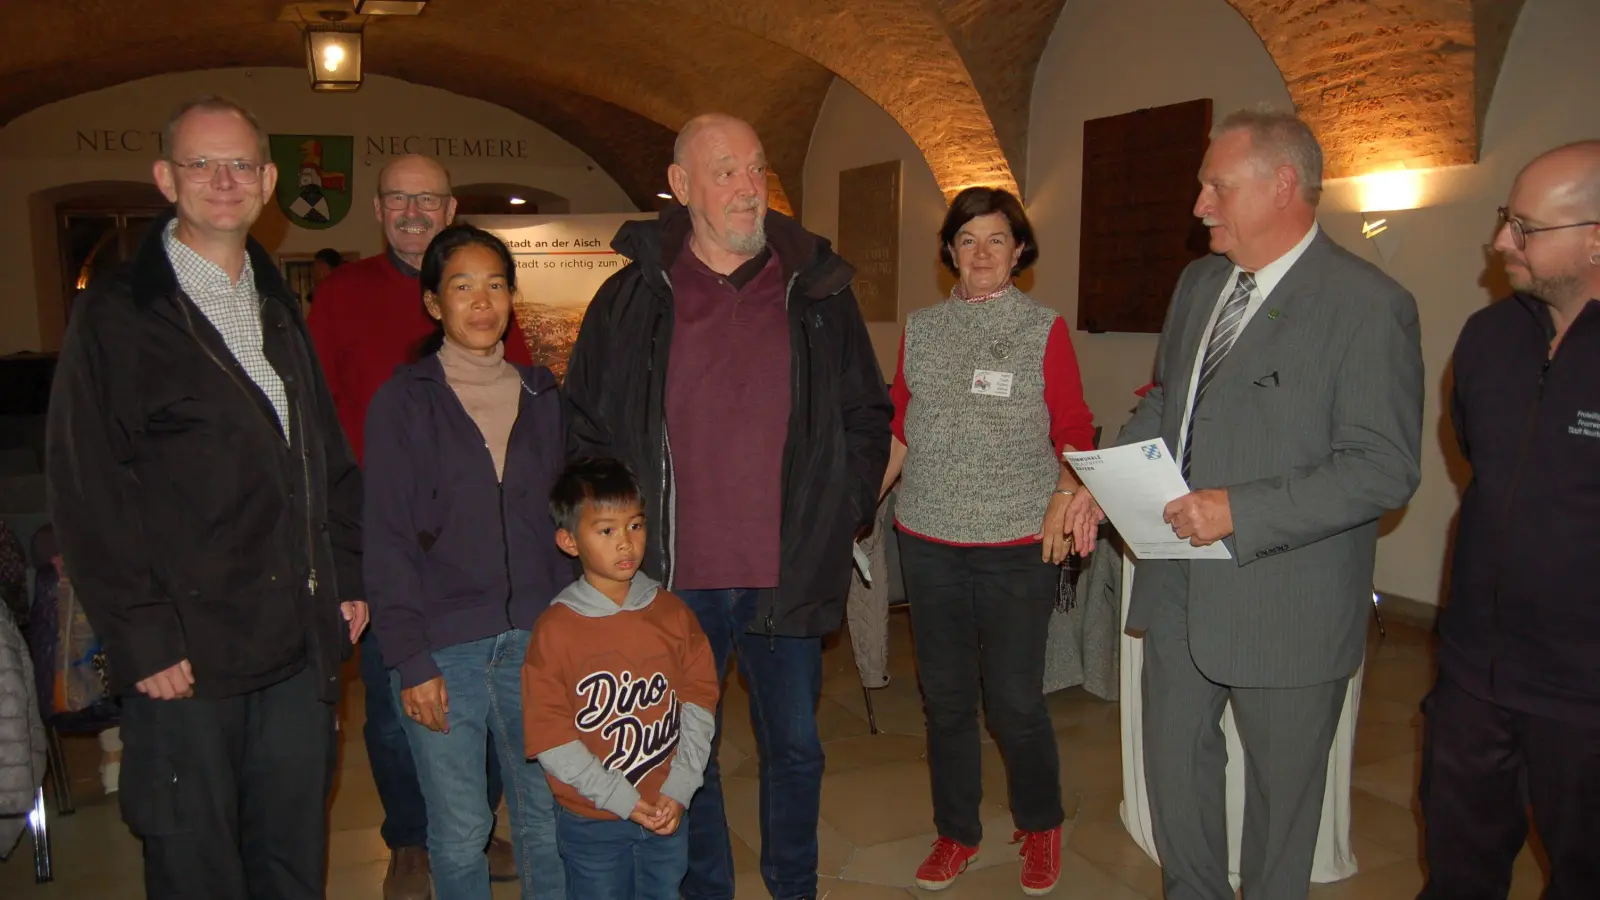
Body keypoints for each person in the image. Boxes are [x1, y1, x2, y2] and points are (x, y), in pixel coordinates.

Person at [1068, 108, 1423, 900]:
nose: (1199, 204)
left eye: (1216, 186)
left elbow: (1383, 468)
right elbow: (1169, 403)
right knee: (1177, 784)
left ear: (1282, 186)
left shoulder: (1367, 304)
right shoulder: (1200, 284)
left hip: (1287, 602)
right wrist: (1097, 478)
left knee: (1280, 807)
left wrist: (1241, 511)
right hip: (1179, 587)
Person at [45, 95, 367, 900]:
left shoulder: (276, 303)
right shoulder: (119, 313)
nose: (223, 181)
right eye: (201, 164)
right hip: (187, 654)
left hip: (295, 643)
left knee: (291, 855)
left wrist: (349, 575)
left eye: (240, 165)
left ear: (266, 182)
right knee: (197, 865)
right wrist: (143, 636)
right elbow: (88, 487)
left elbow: (323, 456)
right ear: (166, 178)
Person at [564, 113, 892, 900]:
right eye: (726, 172)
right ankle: (702, 888)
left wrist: (837, 510)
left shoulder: (817, 289)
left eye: (756, 170)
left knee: (796, 750)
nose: (749, 188)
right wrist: (609, 542)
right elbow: (586, 428)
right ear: (681, 187)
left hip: (787, 569)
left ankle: (794, 886)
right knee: (688, 759)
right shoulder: (632, 299)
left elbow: (864, 415)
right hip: (675, 579)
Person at [308, 154, 529, 896]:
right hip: (381, 533)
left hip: (476, 546)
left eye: (426, 198)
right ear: (378, 208)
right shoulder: (342, 293)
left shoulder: (491, 312)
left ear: (450, 205)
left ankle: (476, 823)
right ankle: (410, 838)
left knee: (495, 700)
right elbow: (314, 417)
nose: (412, 210)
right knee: (398, 699)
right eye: (398, 198)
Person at [875, 187, 1095, 896]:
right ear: (948, 252)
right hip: (929, 534)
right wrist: (859, 503)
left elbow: (1074, 429)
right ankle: (956, 831)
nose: (981, 253)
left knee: (1013, 700)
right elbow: (903, 425)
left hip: (1013, 539)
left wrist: (1067, 493)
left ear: (1020, 250)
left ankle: (1041, 822)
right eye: (967, 240)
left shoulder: (1044, 328)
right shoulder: (922, 327)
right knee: (943, 698)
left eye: (996, 239)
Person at [1418, 141, 1600, 900]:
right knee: (1458, 871)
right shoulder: (1487, 340)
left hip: (1585, 695)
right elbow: (1478, 461)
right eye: (1505, 220)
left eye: (1526, 228)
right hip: (1473, 676)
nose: (1501, 243)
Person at [363, 224, 567, 900]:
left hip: (536, 643)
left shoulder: (544, 397)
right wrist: (410, 659)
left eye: (496, 285)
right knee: (459, 828)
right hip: (443, 648)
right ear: (433, 304)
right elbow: (386, 537)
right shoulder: (404, 401)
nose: (483, 303)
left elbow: (565, 527)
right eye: (462, 286)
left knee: (545, 819)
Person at [524, 457, 721, 900]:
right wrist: (621, 799)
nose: (626, 544)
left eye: (635, 525)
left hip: (667, 809)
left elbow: (699, 702)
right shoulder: (555, 630)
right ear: (569, 541)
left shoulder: (672, 613)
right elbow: (551, 738)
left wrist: (680, 787)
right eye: (607, 530)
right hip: (592, 820)